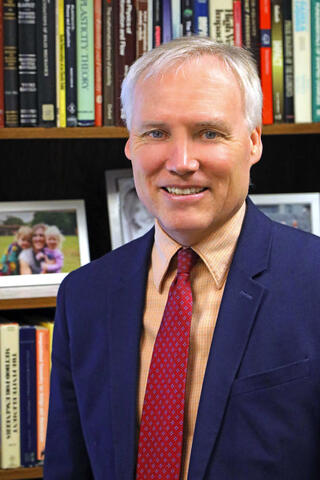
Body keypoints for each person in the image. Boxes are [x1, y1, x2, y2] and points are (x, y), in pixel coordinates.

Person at [44, 37, 320, 480]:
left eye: (209, 133)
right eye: (156, 133)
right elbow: (68, 465)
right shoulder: (84, 294)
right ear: (130, 145)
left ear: (252, 143)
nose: (182, 161)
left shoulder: (315, 281)